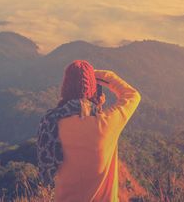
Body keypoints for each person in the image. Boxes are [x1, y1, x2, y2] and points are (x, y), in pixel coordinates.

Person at [37, 59, 141, 202]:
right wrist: (100, 75)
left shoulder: (52, 123)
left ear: (65, 89)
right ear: (92, 92)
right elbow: (133, 95)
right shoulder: (107, 123)